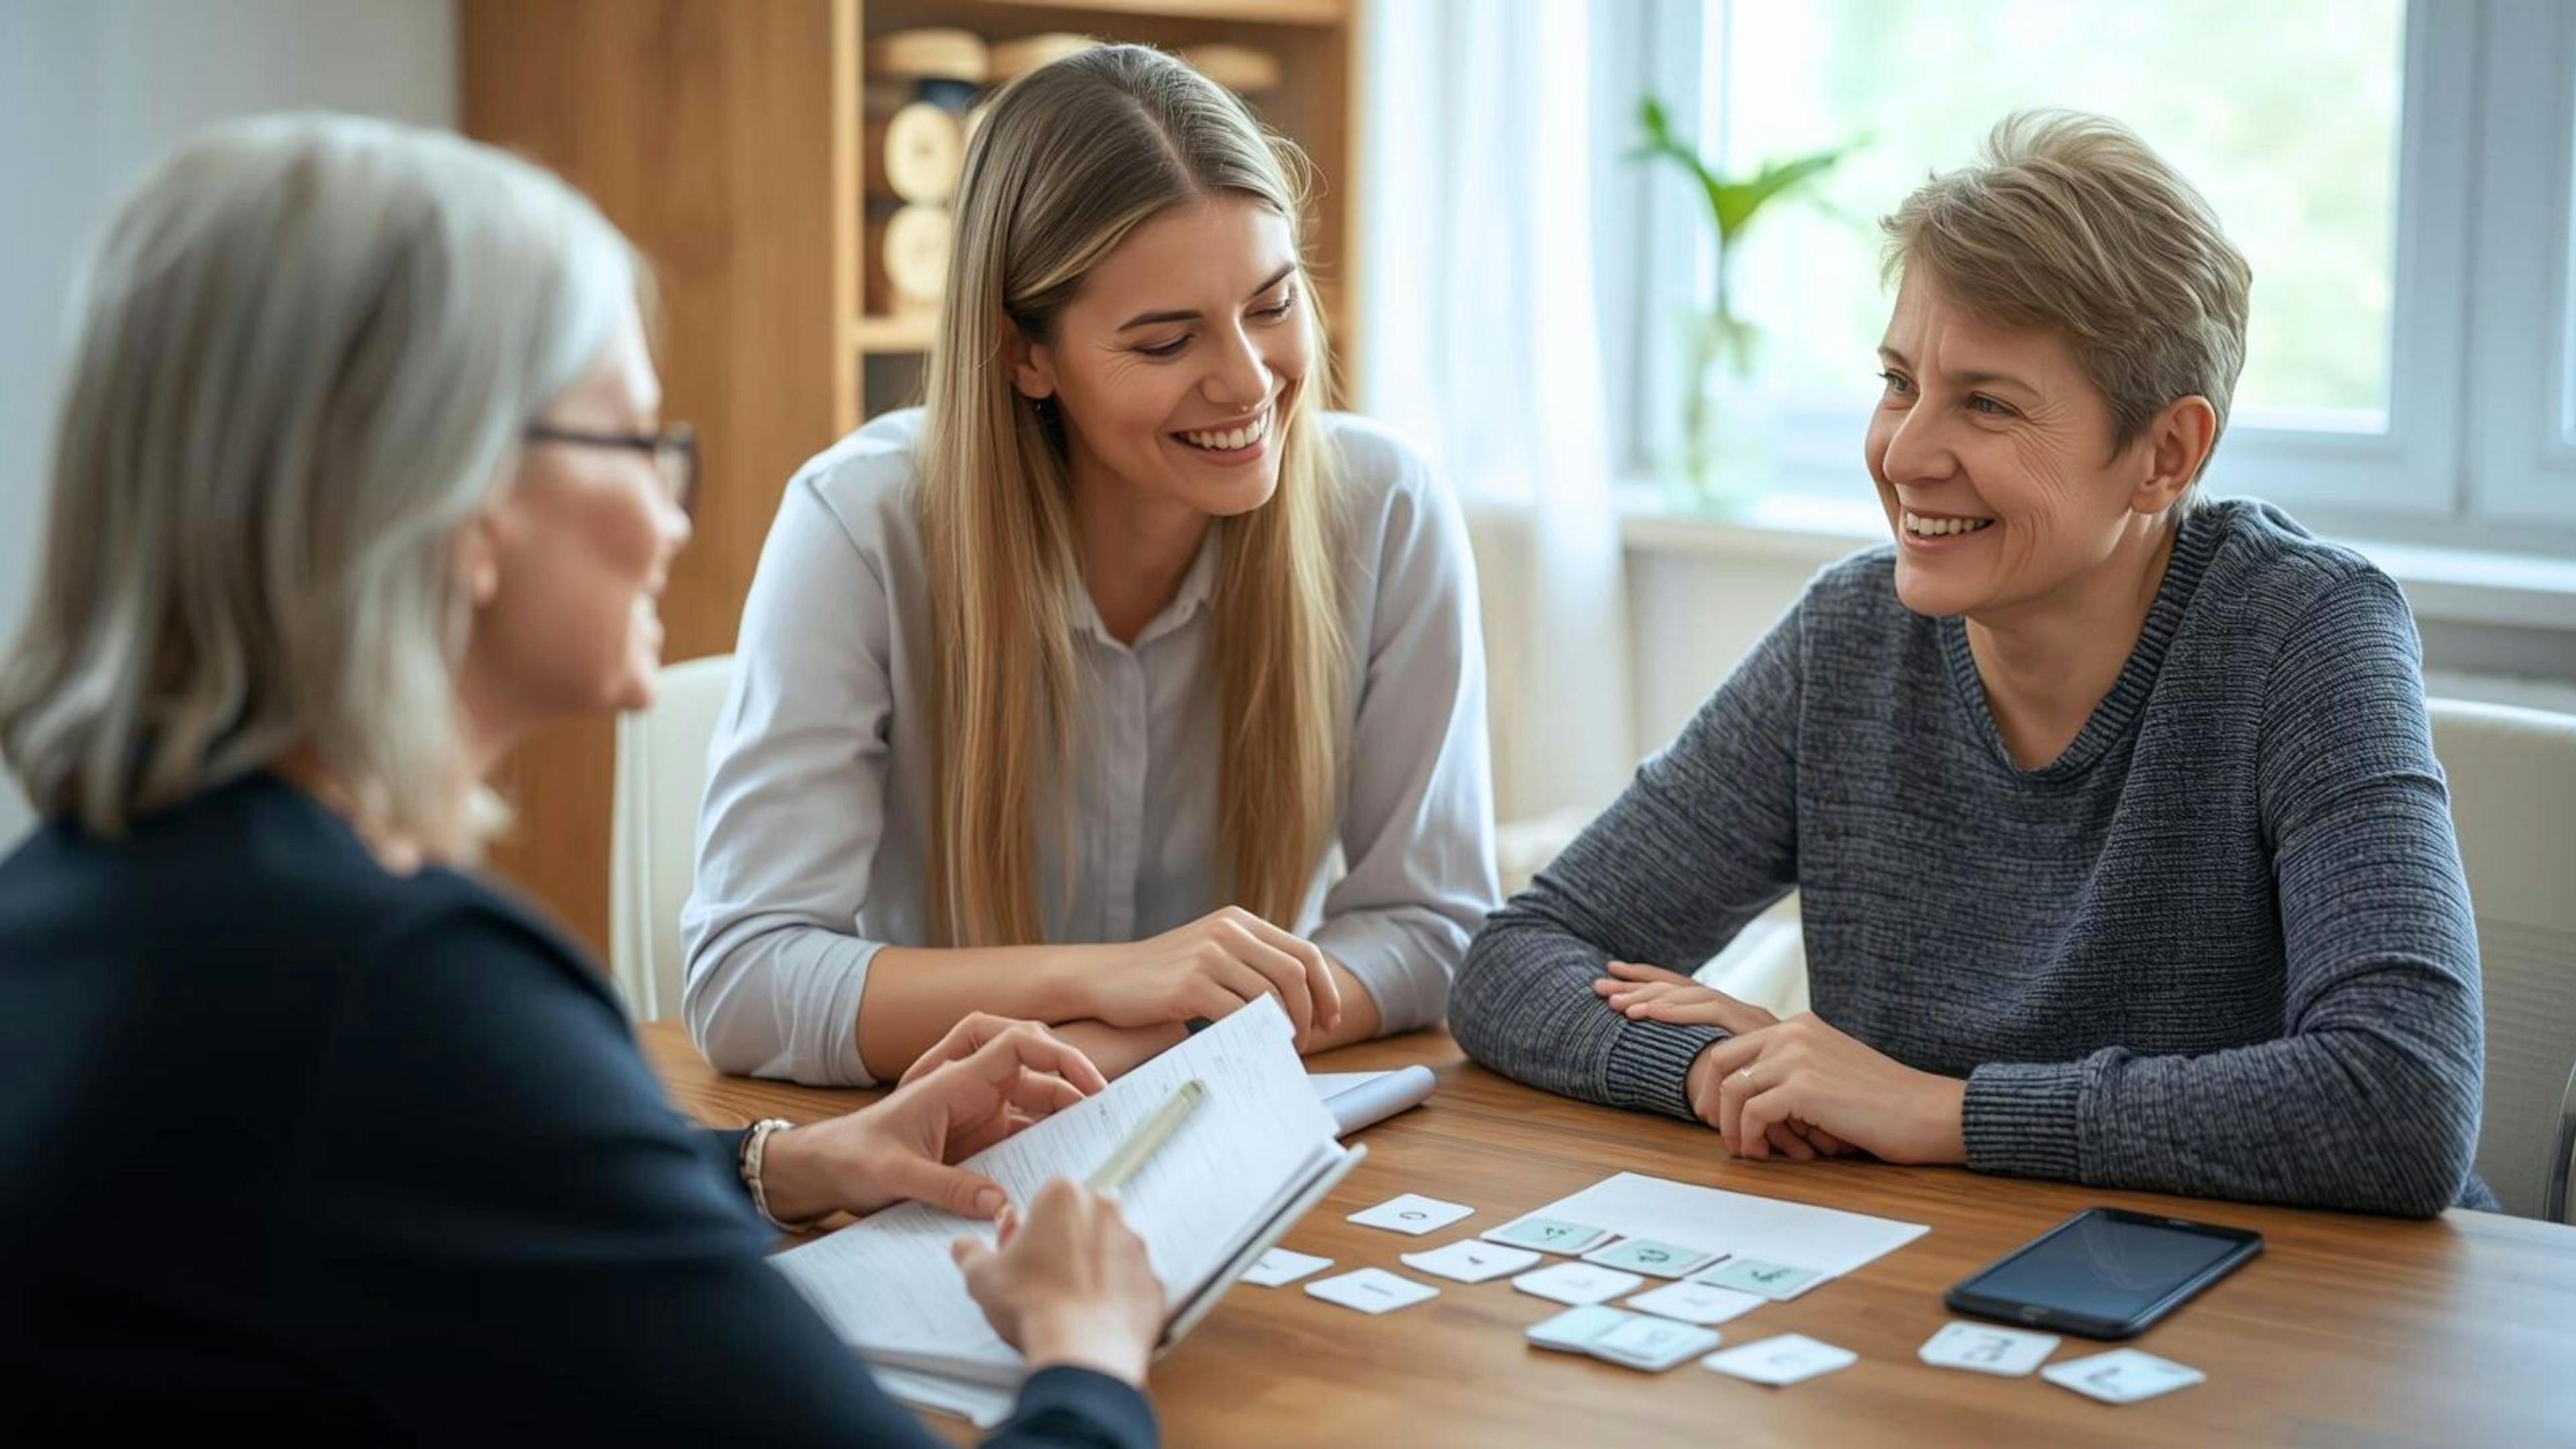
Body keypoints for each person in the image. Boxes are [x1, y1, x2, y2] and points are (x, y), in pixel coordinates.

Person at [0, 113, 1167, 1443]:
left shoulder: (82, 904)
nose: (675, 515)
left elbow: (417, 1165)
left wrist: (776, 1165)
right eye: (631, 440)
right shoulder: (405, 990)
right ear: (461, 503)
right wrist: (1087, 1350)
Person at [1449, 111, 2491, 1218]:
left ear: (2165, 453)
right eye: (1899, 381)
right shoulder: (1849, 637)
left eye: (1986, 404)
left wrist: (1944, 1113)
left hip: (2294, 1317)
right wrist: (1716, 1071)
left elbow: (2402, 1097)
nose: (1904, 455)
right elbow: (1517, 960)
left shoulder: (2306, 632)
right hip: (1939, 1281)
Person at [684, 44, 1497, 1087]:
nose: (1249, 384)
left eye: (1272, 304)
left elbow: (1433, 925)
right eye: (1167, 343)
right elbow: (744, 978)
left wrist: (1150, 1040)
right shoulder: (859, 526)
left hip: (1242, 1139)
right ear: (1026, 354)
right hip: (935, 1156)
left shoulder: (1386, 513)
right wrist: (1112, 982)